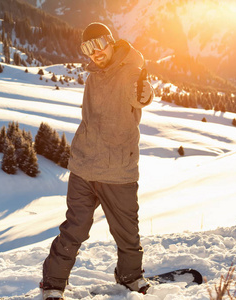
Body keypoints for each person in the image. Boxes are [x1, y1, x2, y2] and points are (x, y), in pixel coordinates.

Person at [41, 22, 154, 300]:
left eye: (98, 44)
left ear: (111, 41)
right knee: (73, 230)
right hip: (83, 166)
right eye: (86, 48)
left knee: (127, 233)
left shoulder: (131, 71)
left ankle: (130, 276)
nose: (94, 53)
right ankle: (53, 284)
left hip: (118, 171)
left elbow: (140, 94)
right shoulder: (93, 76)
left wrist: (145, 92)